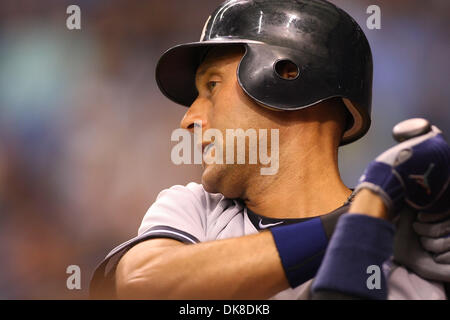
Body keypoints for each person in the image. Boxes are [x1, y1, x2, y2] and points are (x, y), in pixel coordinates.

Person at [90, 0, 450, 299]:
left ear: (288, 77)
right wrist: (356, 225)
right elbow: (140, 285)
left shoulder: (414, 252)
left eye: (212, 86)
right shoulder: (195, 210)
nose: (187, 119)